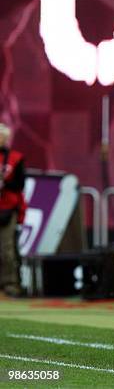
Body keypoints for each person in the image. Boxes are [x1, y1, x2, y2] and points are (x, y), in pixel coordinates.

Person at [0, 123, 26, 297]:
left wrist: (4, 183)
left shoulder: (15, 158)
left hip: (7, 208)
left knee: (7, 250)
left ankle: (10, 285)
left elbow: (20, 184)